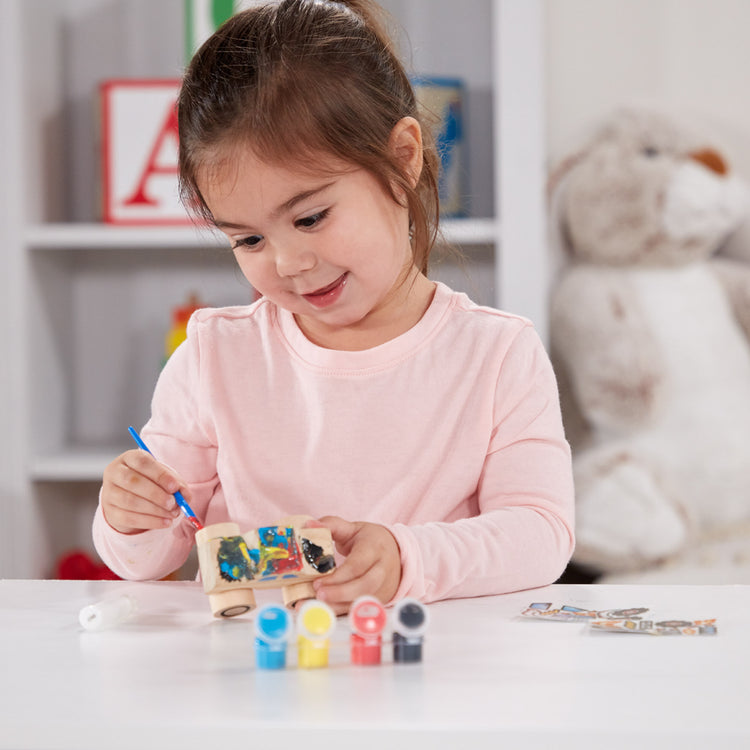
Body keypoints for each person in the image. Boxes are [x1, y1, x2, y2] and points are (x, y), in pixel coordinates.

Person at [94, 0, 575, 614]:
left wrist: (409, 557)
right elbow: (147, 558)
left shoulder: (497, 354)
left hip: (433, 676)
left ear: (403, 158)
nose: (289, 262)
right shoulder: (215, 355)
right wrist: (129, 516)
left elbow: (541, 534)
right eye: (248, 238)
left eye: (311, 217)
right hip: (257, 678)